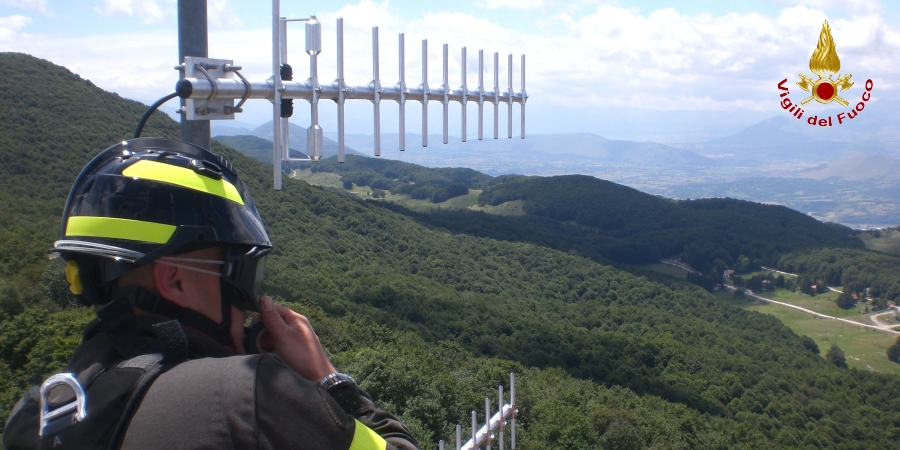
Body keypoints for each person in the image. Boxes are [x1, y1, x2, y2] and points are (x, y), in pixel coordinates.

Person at [1, 138, 420, 450]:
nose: (250, 304)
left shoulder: (40, 414)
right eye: (240, 275)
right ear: (176, 280)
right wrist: (325, 378)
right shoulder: (249, 395)